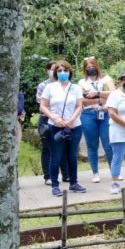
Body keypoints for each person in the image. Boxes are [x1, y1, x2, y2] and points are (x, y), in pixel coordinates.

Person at [40, 60, 87, 197]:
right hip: (55, 126)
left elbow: (79, 105)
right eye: (59, 71)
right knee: (56, 156)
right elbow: (43, 106)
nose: (62, 73)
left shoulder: (75, 88)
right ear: (55, 73)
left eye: (65, 70)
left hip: (74, 125)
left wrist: (71, 119)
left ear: (70, 72)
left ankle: (74, 182)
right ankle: (55, 185)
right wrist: (54, 118)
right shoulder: (50, 87)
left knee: (72, 156)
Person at [78, 57, 116, 183]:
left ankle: (114, 172)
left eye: (92, 65)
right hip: (88, 114)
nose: (90, 68)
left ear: (97, 66)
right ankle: (95, 172)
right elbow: (82, 100)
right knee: (92, 145)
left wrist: (97, 93)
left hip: (105, 114)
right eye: (87, 67)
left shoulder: (106, 79)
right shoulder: (82, 82)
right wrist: (100, 99)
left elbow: (114, 94)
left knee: (108, 144)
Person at [37, 61, 69, 185]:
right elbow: (42, 104)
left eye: (62, 70)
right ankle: (48, 176)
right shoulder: (43, 86)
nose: (59, 72)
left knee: (65, 147)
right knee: (47, 148)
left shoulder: (67, 85)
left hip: (64, 120)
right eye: (54, 69)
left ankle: (66, 175)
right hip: (46, 119)